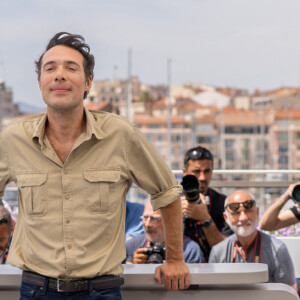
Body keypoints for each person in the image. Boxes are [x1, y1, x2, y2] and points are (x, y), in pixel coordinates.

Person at [0, 32, 190, 299]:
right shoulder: (13, 138)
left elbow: (168, 192)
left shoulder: (120, 134)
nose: (59, 75)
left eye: (71, 67)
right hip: (36, 290)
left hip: (101, 291)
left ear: (88, 82)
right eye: (50, 68)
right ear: (40, 81)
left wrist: (175, 259)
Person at [209, 190, 298, 293]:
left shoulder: (277, 249)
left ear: (257, 212)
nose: (243, 218)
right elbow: (213, 293)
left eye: (248, 211)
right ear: (226, 217)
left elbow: (290, 293)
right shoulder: (218, 252)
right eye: (236, 213)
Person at [181, 146, 233, 261]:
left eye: (207, 171)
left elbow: (227, 250)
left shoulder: (222, 202)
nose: (202, 177)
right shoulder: (173, 201)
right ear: (185, 173)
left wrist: (205, 218)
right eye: (196, 171)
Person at [125, 201, 204, 264]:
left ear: (171, 222)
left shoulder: (189, 250)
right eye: (145, 217)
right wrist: (134, 266)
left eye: (154, 219)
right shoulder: (133, 245)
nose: (147, 224)